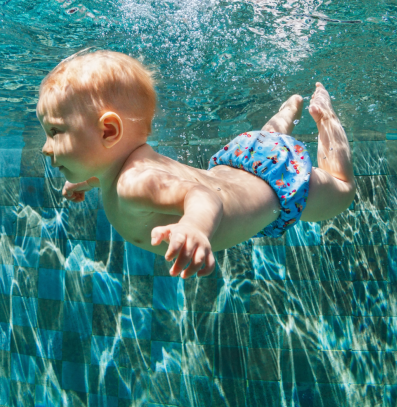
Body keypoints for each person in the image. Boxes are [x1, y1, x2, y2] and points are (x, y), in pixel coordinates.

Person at [36, 50, 355, 278]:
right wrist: (86, 179)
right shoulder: (117, 170)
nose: (45, 148)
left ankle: (324, 118)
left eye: (54, 132)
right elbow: (107, 170)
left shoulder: (135, 182)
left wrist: (194, 227)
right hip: (243, 161)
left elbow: (203, 197)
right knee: (268, 141)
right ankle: (284, 117)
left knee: (340, 192)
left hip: (277, 184)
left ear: (109, 131)